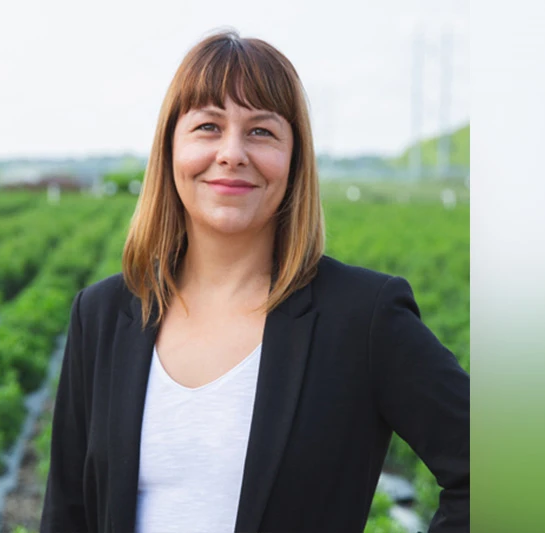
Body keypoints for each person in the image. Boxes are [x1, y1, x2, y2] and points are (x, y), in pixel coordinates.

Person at [40, 30, 469, 533]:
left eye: (261, 132)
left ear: (294, 159)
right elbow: (67, 514)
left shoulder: (362, 317)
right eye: (207, 126)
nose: (231, 153)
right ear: (170, 148)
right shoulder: (102, 314)